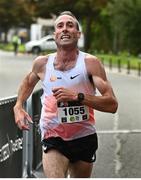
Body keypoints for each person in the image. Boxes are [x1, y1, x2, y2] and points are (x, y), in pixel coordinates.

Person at [13, 11, 118, 178]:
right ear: (55, 35)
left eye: (70, 25)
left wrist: (78, 96)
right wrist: (18, 105)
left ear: (78, 34)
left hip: (84, 136)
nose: (65, 29)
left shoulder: (91, 63)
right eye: (60, 26)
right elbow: (27, 83)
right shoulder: (42, 64)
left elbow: (112, 104)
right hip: (53, 135)